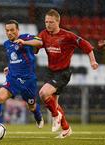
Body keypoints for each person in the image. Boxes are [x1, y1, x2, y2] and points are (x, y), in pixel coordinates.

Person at [35, 9, 98, 138]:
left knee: (43, 93)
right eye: (46, 22)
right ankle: (66, 128)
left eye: (51, 22)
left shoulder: (68, 36)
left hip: (63, 73)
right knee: (54, 103)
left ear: (58, 22)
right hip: (50, 72)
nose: (48, 24)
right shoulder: (43, 34)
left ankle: (55, 116)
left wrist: (93, 61)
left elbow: (86, 45)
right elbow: (35, 49)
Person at [0, 20, 44, 133]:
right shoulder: (6, 44)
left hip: (28, 80)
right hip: (12, 79)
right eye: (7, 30)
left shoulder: (26, 37)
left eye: (12, 30)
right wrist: (9, 67)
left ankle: (38, 116)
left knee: (31, 106)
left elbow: (40, 42)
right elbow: (14, 58)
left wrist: (25, 42)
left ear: (17, 30)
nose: (9, 33)